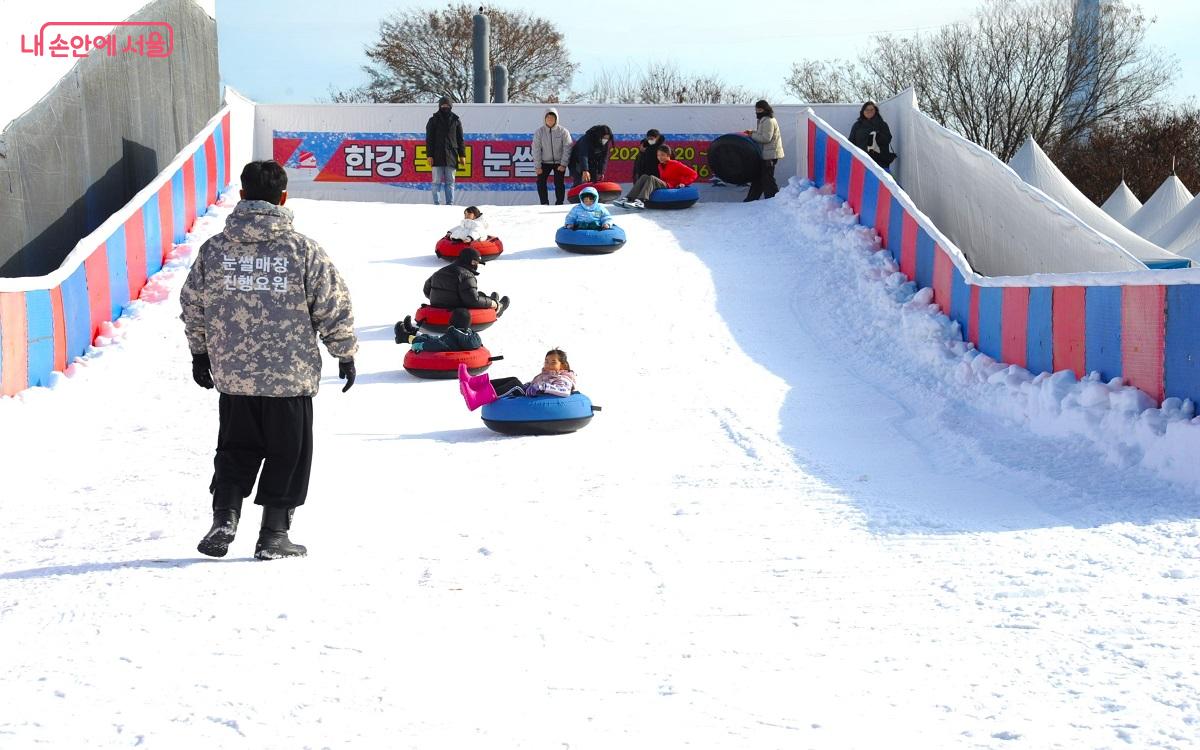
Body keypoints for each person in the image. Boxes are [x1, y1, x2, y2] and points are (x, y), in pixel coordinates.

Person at [181, 160, 358, 561]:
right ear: (283, 198)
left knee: (234, 448)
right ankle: (273, 535)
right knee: (288, 453)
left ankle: (224, 518)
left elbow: (192, 304)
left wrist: (199, 352)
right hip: (288, 376)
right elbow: (332, 305)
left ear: (242, 196)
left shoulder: (215, 249)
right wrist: (343, 352)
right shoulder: (302, 249)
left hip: (235, 377)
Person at [459, 349, 576, 410]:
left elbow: (564, 391)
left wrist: (542, 387)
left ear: (563, 366)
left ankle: (476, 399)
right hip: (530, 394)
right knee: (513, 379)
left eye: (553, 362)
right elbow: (535, 384)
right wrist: (529, 385)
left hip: (534, 400)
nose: (548, 364)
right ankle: (473, 384)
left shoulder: (564, 378)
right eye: (546, 361)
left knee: (515, 384)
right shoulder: (545, 374)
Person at [422, 247, 509, 315]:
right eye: (475, 263)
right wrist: (492, 303)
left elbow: (427, 289)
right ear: (469, 261)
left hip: (437, 310)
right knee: (479, 299)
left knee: (478, 294)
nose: (476, 266)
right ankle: (498, 306)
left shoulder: (439, 272)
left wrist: (440, 298)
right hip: (458, 313)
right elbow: (473, 301)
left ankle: (490, 299)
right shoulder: (466, 275)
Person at [614, 145, 698, 208]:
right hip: (665, 184)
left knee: (652, 178)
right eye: (658, 155)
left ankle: (641, 201)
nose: (660, 157)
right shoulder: (660, 165)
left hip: (671, 186)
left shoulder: (676, 164)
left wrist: (683, 183)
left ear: (668, 155)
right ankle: (628, 198)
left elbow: (694, 174)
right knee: (644, 176)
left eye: (662, 155)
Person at [425, 95, 465, 206]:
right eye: (443, 105)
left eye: (447, 105)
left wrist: (462, 155)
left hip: (451, 155)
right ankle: (436, 203)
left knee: (450, 182)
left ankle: (450, 204)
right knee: (436, 182)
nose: (445, 107)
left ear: (451, 106)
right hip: (436, 155)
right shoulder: (433, 120)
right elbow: (429, 140)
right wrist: (429, 155)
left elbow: (460, 139)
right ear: (439, 106)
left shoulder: (456, 120)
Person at [743, 99, 784, 201]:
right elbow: (762, 134)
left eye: (760, 109)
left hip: (770, 155)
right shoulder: (764, 120)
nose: (757, 112)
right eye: (756, 109)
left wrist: (752, 135)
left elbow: (766, 138)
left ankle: (773, 199)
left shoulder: (768, 121)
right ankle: (752, 199)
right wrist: (752, 132)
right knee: (760, 178)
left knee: (767, 179)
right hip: (767, 154)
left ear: (765, 109)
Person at [394, 307, 482, 352]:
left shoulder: (453, 335)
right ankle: (414, 331)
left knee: (427, 339)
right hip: (450, 344)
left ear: (452, 322)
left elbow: (437, 345)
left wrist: (421, 346)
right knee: (433, 337)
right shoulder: (472, 335)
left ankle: (404, 337)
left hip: (443, 346)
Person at [532, 108, 572, 205]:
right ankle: (544, 203)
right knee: (540, 182)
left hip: (559, 162)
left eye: (552, 118)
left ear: (556, 119)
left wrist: (563, 164)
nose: (550, 120)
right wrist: (538, 166)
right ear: (544, 119)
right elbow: (536, 149)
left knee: (559, 183)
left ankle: (559, 203)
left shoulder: (563, 131)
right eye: (548, 118)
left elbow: (567, 148)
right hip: (544, 162)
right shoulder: (539, 132)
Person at [848, 101, 896, 170]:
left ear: (876, 111)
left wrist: (877, 136)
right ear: (863, 111)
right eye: (866, 109)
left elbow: (888, 139)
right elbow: (851, 142)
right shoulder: (857, 125)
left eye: (871, 109)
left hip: (880, 162)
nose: (869, 111)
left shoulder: (882, 124)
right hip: (862, 160)